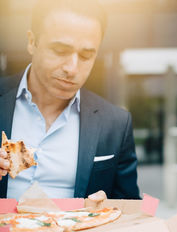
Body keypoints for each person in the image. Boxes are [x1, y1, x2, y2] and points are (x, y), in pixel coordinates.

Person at [0, 0, 140, 200]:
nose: (72, 69)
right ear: (32, 42)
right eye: (60, 51)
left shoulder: (116, 124)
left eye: (86, 56)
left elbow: (129, 212)